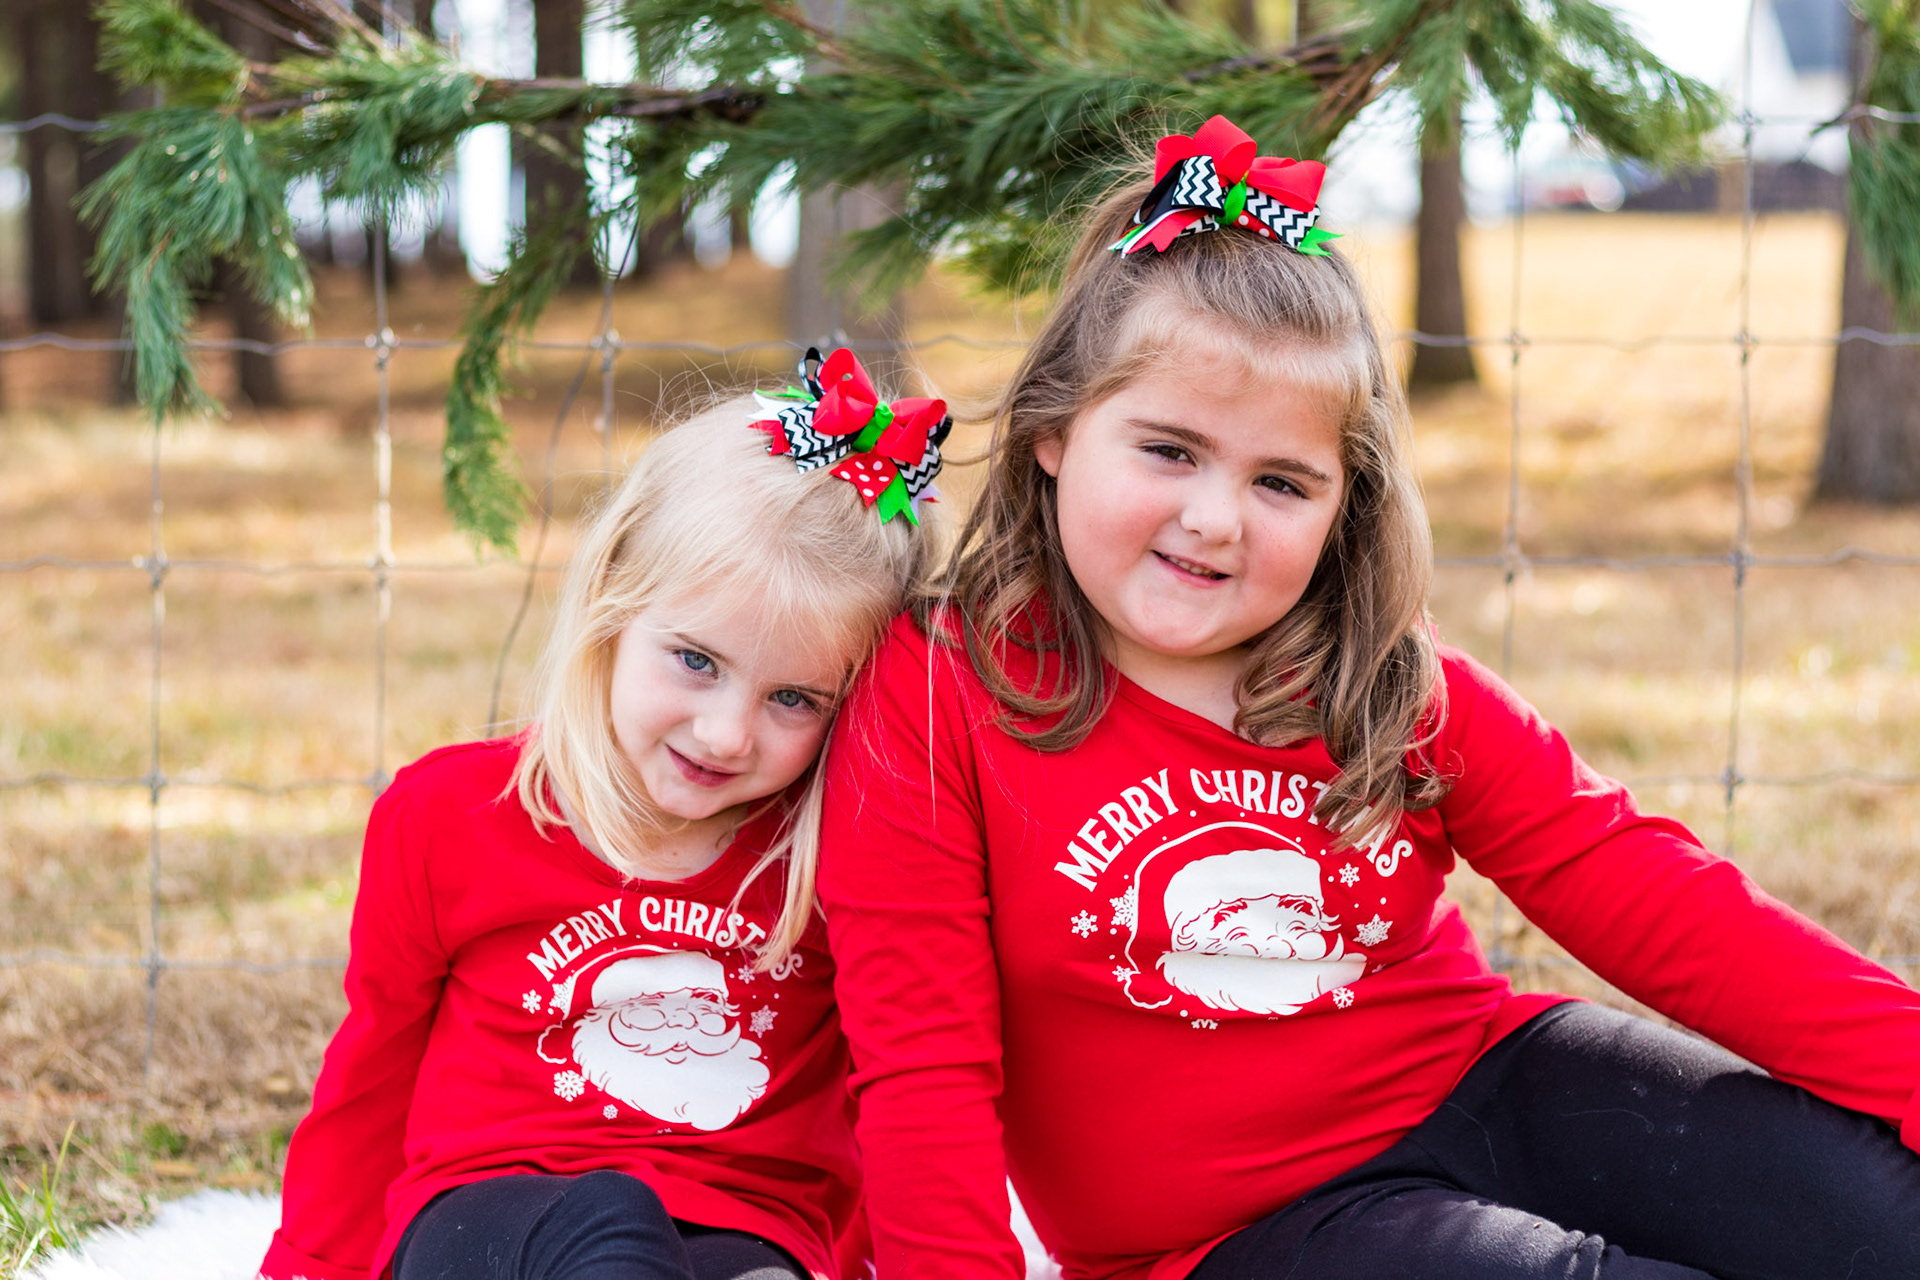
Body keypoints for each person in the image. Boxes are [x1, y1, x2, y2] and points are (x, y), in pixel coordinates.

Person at [816, 116, 1920, 1280]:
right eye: (1170, 450)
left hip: (1478, 1082)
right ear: (1052, 430)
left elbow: (1647, 889)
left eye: (1281, 480)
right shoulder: (938, 689)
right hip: (1230, 1238)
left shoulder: (1375, 668)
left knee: (1876, 1212)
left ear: (1344, 501)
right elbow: (923, 1069)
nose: (1214, 518)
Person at [259, 357, 946, 1280]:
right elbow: (373, 1071)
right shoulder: (451, 818)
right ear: (614, 605)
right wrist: (310, 1265)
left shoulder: (836, 856)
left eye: (794, 698)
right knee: (610, 1223)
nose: (726, 733)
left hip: (743, 1224)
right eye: (696, 661)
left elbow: (891, 1091)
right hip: (488, 1213)